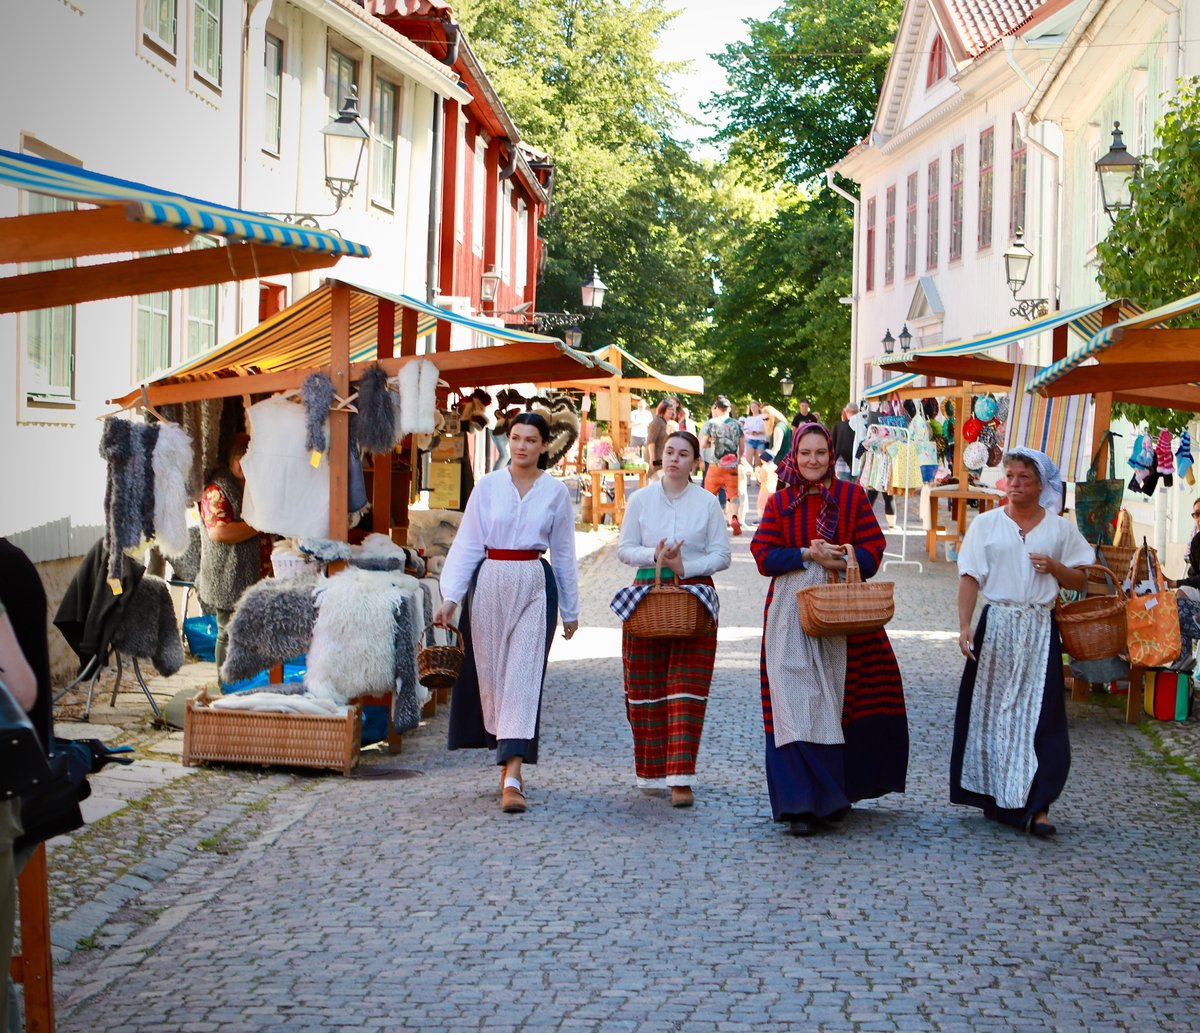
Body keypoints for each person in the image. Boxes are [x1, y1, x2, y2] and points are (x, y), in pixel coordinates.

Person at [751, 423, 909, 836]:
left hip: (844, 612)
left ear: (830, 455)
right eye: (806, 453)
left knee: (843, 701)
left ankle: (836, 795)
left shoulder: (852, 497)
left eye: (820, 452)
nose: (813, 460)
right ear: (795, 456)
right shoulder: (781, 502)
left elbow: (873, 552)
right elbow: (763, 555)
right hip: (789, 612)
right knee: (793, 702)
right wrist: (805, 553)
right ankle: (800, 804)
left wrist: (839, 557)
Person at [434, 412, 580, 815]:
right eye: (515, 438)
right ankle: (504, 758)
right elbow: (467, 543)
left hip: (534, 582)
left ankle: (513, 775)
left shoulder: (554, 493)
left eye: (531, 440)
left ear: (544, 446)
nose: (521, 446)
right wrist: (450, 597)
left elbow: (565, 553)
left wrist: (570, 609)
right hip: (490, 582)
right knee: (493, 675)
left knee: (523, 676)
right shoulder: (488, 487)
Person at [951, 448, 1092, 838]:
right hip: (996, 626)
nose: (1014, 484)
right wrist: (964, 624)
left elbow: (1085, 579)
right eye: (1010, 476)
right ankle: (1000, 796)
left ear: (1041, 484)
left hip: (1038, 628)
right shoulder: (987, 525)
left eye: (1023, 478)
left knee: (1042, 718)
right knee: (995, 715)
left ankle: (1039, 805)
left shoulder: (1060, 529)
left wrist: (1057, 568)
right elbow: (969, 576)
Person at [615, 431, 731, 807]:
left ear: (696, 462)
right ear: (660, 456)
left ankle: (681, 777)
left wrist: (687, 565)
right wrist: (657, 555)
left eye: (684, 454)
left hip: (694, 599)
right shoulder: (640, 499)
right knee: (644, 687)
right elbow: (625, 549)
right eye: (669, 452)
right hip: (648, 595)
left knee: (686, 690)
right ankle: (650, 770)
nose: (675, 459)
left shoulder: (707, 503)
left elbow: (722, 554)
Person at [197, 433, 273, 674]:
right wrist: (258, 525)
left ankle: (244, 682)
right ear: (232, 459)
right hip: (227, 575)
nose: (246, 465)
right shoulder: (217, 489)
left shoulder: (253, 484)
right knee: (227, 632)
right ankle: (225, 685)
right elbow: (219, 532)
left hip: (253, 573)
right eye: (242, 459)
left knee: (249, 634)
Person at [700, 397, 745, 535]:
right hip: (732, 466)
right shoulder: (737, 424)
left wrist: (702, 457)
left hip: (715, 465)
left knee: (709, 495)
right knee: (733, 496)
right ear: (729, 409)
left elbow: (702, 444)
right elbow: (742, 446)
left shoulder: (711, 423)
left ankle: (708, 524)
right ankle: (734, 518)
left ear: (718, 409)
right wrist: (738, 458)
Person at [645, 399, 677, 479]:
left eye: (672, 409)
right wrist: (652, 458)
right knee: (654, 482)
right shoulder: (657, 422)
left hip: (662, 459)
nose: (671, 411)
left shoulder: (665, 423)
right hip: (656, 459)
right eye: (669, 409)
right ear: (662, 409)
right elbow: (651, 441)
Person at [831, 404, 858, 480]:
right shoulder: (862, 426)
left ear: (846, 412)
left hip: (842, 464)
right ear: (857, 412)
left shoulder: (838, 426)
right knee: (857, 489)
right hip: (858, 463)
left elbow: (831, 445)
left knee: (843, 489)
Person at [743, 401, 767, 466]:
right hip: (750, 440)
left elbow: (768, 428)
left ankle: (757, 475)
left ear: (759, 408)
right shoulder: (748, 418)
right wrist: (750, 432)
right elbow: (745, 430)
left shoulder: (763, 417)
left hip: (760, 440)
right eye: (752, 407)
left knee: (758, 463)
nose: (753, 408)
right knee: (748, 462)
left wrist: (760, 432)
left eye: (755, 407)